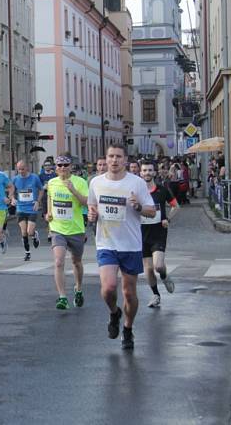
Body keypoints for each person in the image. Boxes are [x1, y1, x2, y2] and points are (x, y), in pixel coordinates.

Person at [88, 144, 155, 350]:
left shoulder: (137, 183)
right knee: (108, 289)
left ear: (125, 160)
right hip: (106, 243)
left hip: (131, 245)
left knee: (129, 293)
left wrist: (138, 206)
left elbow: (151, 211)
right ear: (105, 159)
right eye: (111, 156)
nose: (114, 160)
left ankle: (128, 328)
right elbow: (92, 207)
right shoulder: (96, 183)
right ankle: (114, 313)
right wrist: (92, 216)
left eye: (118, 157)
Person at [46, 155, 88, 310]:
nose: (62, 168)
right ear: (56, 168)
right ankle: (62, 297)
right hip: (58, 229)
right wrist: (48, 213)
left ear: (71, 166)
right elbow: (50, 199)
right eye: (59, 165)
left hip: (76, 229)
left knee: (76, 262)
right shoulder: (52, 182)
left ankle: (78, 288)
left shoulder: (80, 182)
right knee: (58, 261)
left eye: (65, 165)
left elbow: (86, 203)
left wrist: (73, 190)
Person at [139, 161, 179, 308]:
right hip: (142, 234)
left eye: (150, 170)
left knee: (158, 266)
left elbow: (176, 206)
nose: (147, 173)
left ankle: (164, 275)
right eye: (145, 170)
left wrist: (167, 218)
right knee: (148, 269)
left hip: (158, 232)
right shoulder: (137, 192)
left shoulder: (162, 190)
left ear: (154, 172)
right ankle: (156, 295)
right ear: (141, 173)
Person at [12, 160, 43, 261]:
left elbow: (41, 190)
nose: (21, 171)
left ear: (27, 168)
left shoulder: (34, 178)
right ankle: (27, 253)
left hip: (32, 208)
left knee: (29, 232)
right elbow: (10, 190)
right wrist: (12, 198)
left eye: (22, 169)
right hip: (20, 208)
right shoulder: (15, 179)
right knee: (23, 232)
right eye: (19, 169)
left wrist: (38, 201)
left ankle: (34, 235)